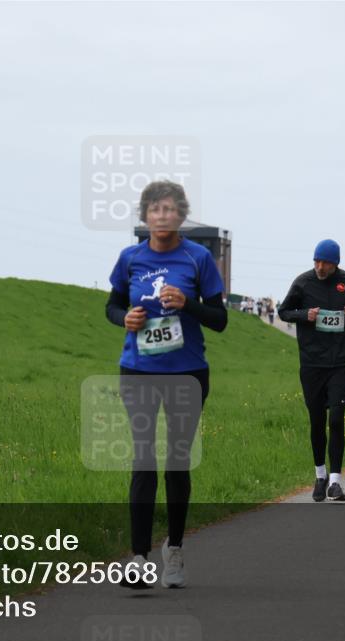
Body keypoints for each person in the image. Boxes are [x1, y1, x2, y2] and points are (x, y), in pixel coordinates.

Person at [106, 181, 227, 589]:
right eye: (154, 210)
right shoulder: (130, 258)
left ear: (181, 216)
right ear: (145, 216)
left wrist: (187, 304)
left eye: (170, 210)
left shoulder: (198, 259)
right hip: (138, 370)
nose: (162, 216)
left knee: (176, 461)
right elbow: (112, 304)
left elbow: (220, 319)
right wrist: (124, 318)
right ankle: (138, 557)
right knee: (144, 460)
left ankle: (174, 549)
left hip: (187, 372)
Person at [278, 239, 345, 502]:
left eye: (325, 262)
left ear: (335, 263)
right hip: (311, 363)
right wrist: (304, 314)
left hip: (340, 362)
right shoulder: (303, 282)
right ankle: (320, 476)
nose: (319, 266)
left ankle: (336, 482)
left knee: (336, 419)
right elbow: (283, 311)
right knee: (317, 421)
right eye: (316, 261)